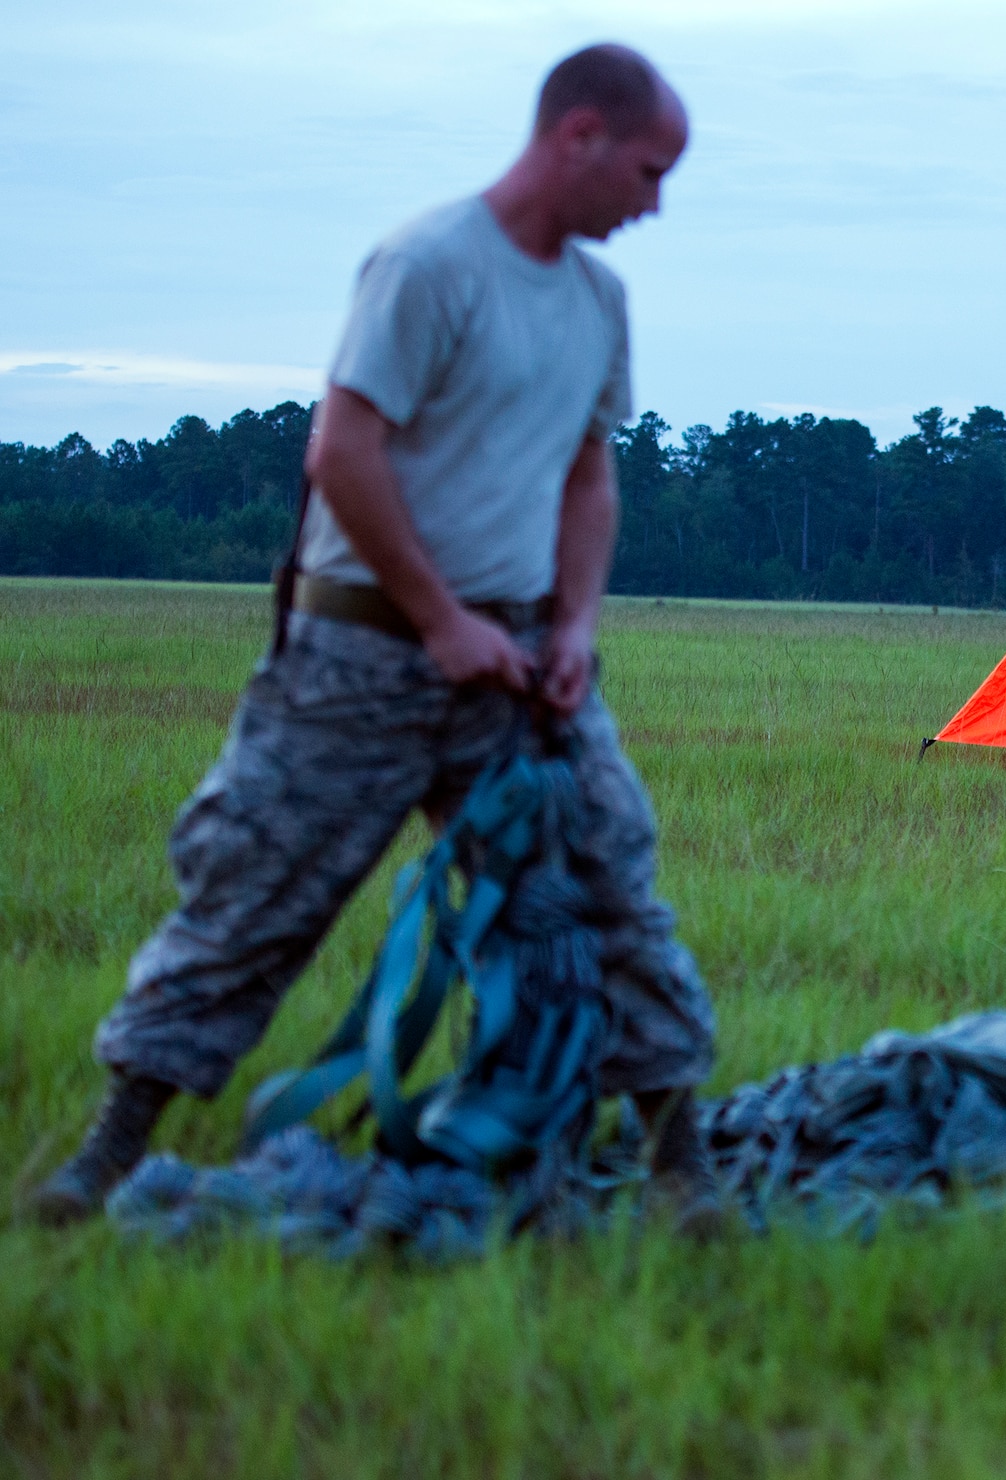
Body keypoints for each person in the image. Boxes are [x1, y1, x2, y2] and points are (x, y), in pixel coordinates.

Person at [33, 44, 721, 1231]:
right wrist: (438, 619)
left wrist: (573, 626)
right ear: (579, 136)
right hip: (358, 660)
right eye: (650, 172)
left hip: (517, 668)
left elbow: (588, 477)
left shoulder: (599, 301)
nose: (655, 205)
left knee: (607, 882)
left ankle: (681, 1170)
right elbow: (340, 452)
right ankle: (104, 1154)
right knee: (253, 891)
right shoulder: (429, 264)